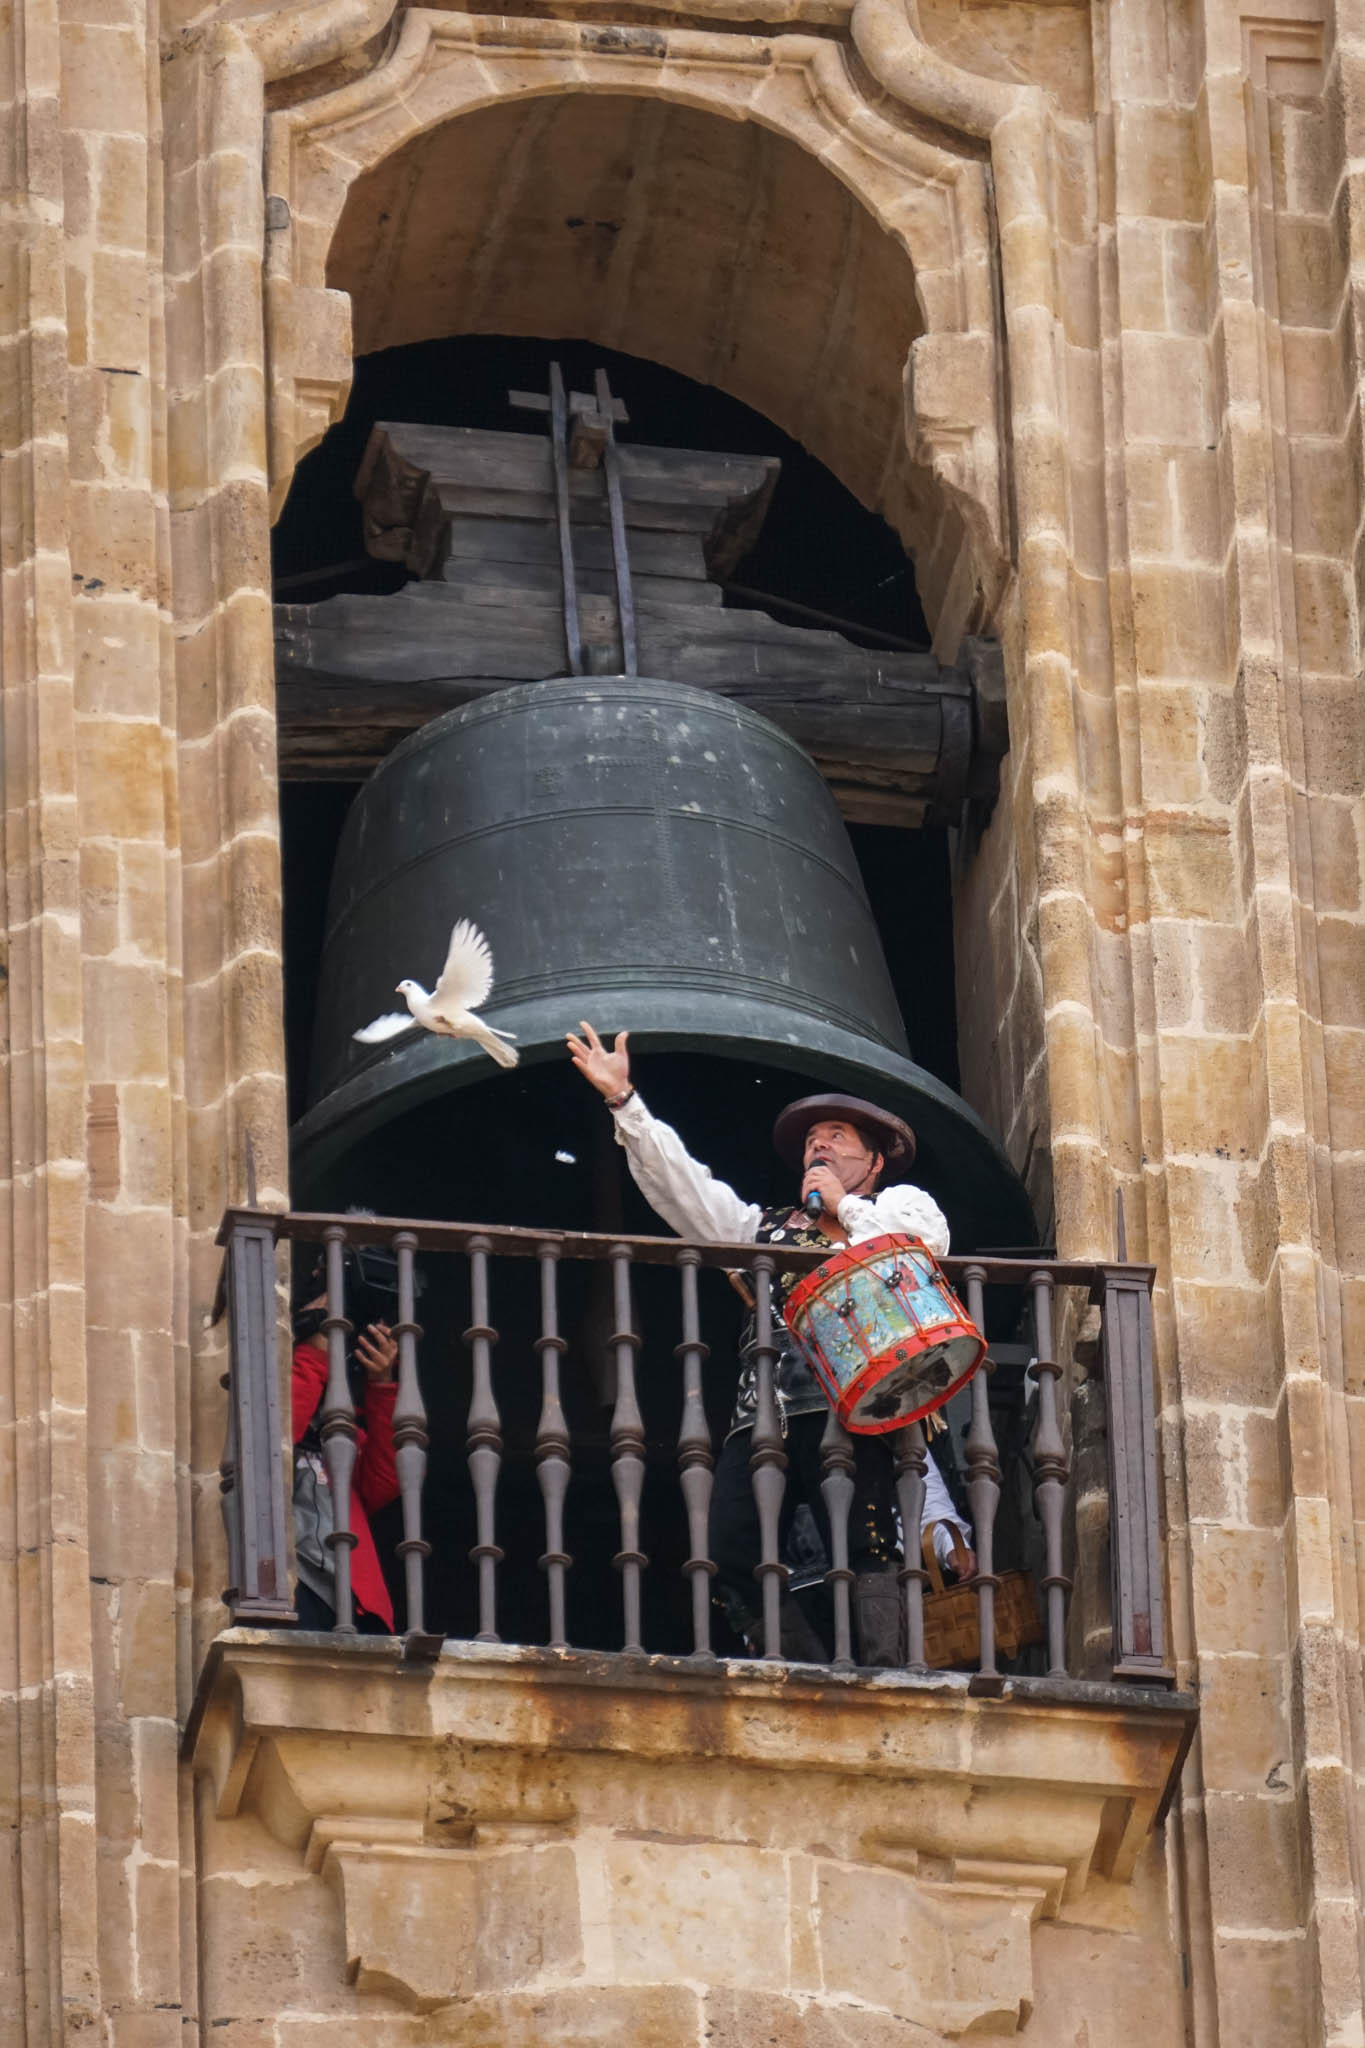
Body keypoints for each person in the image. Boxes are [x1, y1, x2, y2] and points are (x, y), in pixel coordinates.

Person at [566, 1021, 975, 1665]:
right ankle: (804, 1670)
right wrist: (626, 1103)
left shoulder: (899, 1205)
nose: (819, 1145)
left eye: (836, 1136)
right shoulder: (763, 1228)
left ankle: (887, 1676)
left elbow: (920, 1250)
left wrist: (844, 1206)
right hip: (767, 1413)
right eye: (812, 1141)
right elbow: (684, 1189)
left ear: (873, 1162)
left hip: (858, 1405)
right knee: (730, 1552)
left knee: (867, 1545)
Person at [291, 1293, 401, 1632]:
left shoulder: (346, 1431)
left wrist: (381, 1384)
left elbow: (386, 1482)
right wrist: (313, 1354)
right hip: (293, 1581)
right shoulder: (278, 1403)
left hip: (352, 1597)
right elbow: (277, 1434)